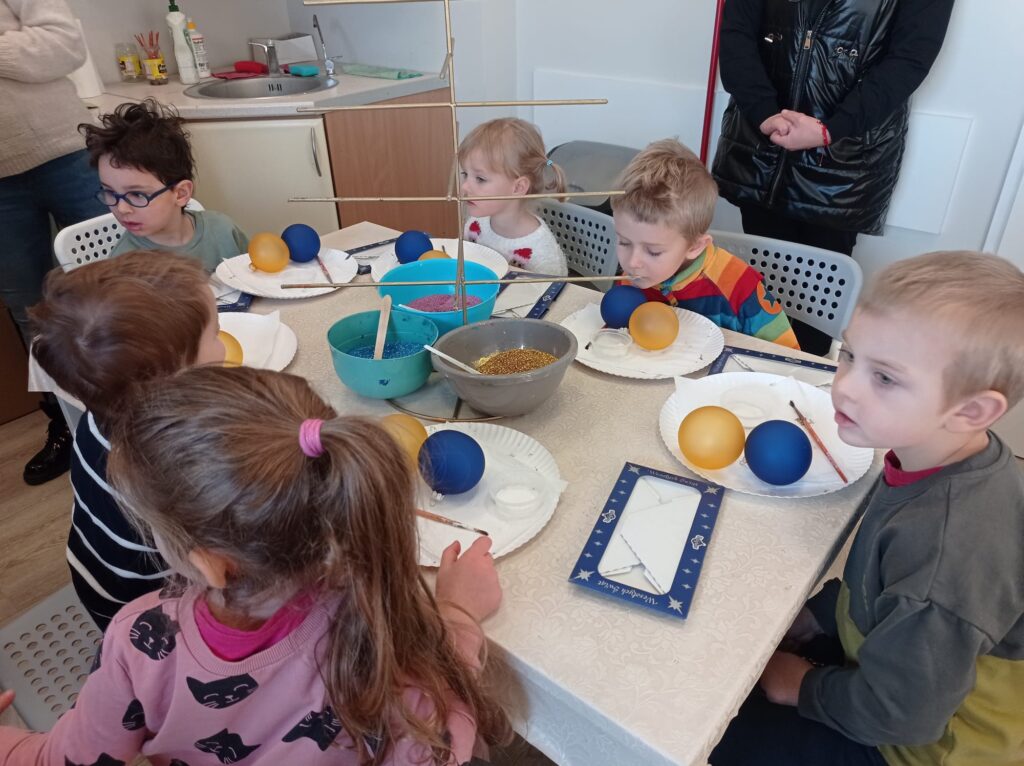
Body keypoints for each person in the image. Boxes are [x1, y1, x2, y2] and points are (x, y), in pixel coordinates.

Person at [0, 365, 510, 765]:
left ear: (210, 563)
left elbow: (61, 759)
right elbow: (439, 746)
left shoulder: (139, 641)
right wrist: (458, 615)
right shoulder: (374, 617)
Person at [710, 251, 1024, 766]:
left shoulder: (945, 551)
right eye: (850, 354)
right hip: (898, 671)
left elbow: (903, 714)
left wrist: (801, 685)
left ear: (971, 411)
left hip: (917, 745)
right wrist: (825, 614)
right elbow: (889, 588)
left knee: (720, 728)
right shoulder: (944, 455)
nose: (846, 386)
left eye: (886, 378)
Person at [710, 0, 955, 354]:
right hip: (761, 152)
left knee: (811, 332)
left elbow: (910, 58)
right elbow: (737, 34)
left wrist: (831, 129)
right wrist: (764, 112)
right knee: (756, 316)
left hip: (844, 169)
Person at [29, 252, 226, 631]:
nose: (222, 347)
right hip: (150, 617)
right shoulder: (171, 469)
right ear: (170, 379)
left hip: (96, 582)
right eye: (215, 335)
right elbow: (221, 566)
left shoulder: (104, 411)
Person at [0, 0, 110, 486]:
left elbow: (64, 45)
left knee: (118, 280)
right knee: (31, 309)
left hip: (64, 149)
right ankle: (70, 421)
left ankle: (152, 400)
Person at [612, 139, 799, 349]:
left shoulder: (738, 287)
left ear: (695, 247)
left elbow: (789, 355)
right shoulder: (637, 274)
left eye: (653, 252)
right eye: (624, 242)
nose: (632, 262)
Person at [79, 99, 249, 271]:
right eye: (110, 192)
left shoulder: (223, 231)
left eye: (137, 194)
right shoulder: (123, 267)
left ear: (181, 194)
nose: (121, 208)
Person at [460, 118, 568, 276]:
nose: (464, 186)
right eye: (465, 174)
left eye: (480, 179)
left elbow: (551, 291)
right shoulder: (474, 225)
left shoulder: (542, 254)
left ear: (518, 187)